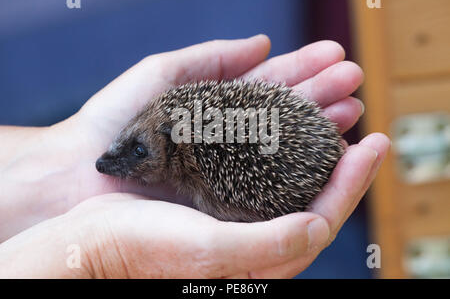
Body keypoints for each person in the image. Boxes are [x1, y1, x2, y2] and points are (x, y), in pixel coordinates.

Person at [0, 35, 390, 278]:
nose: (108, 163)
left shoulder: (201, 179)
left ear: (180, 151)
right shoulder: (165, 124)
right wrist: (98, 254)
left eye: (139, 152)